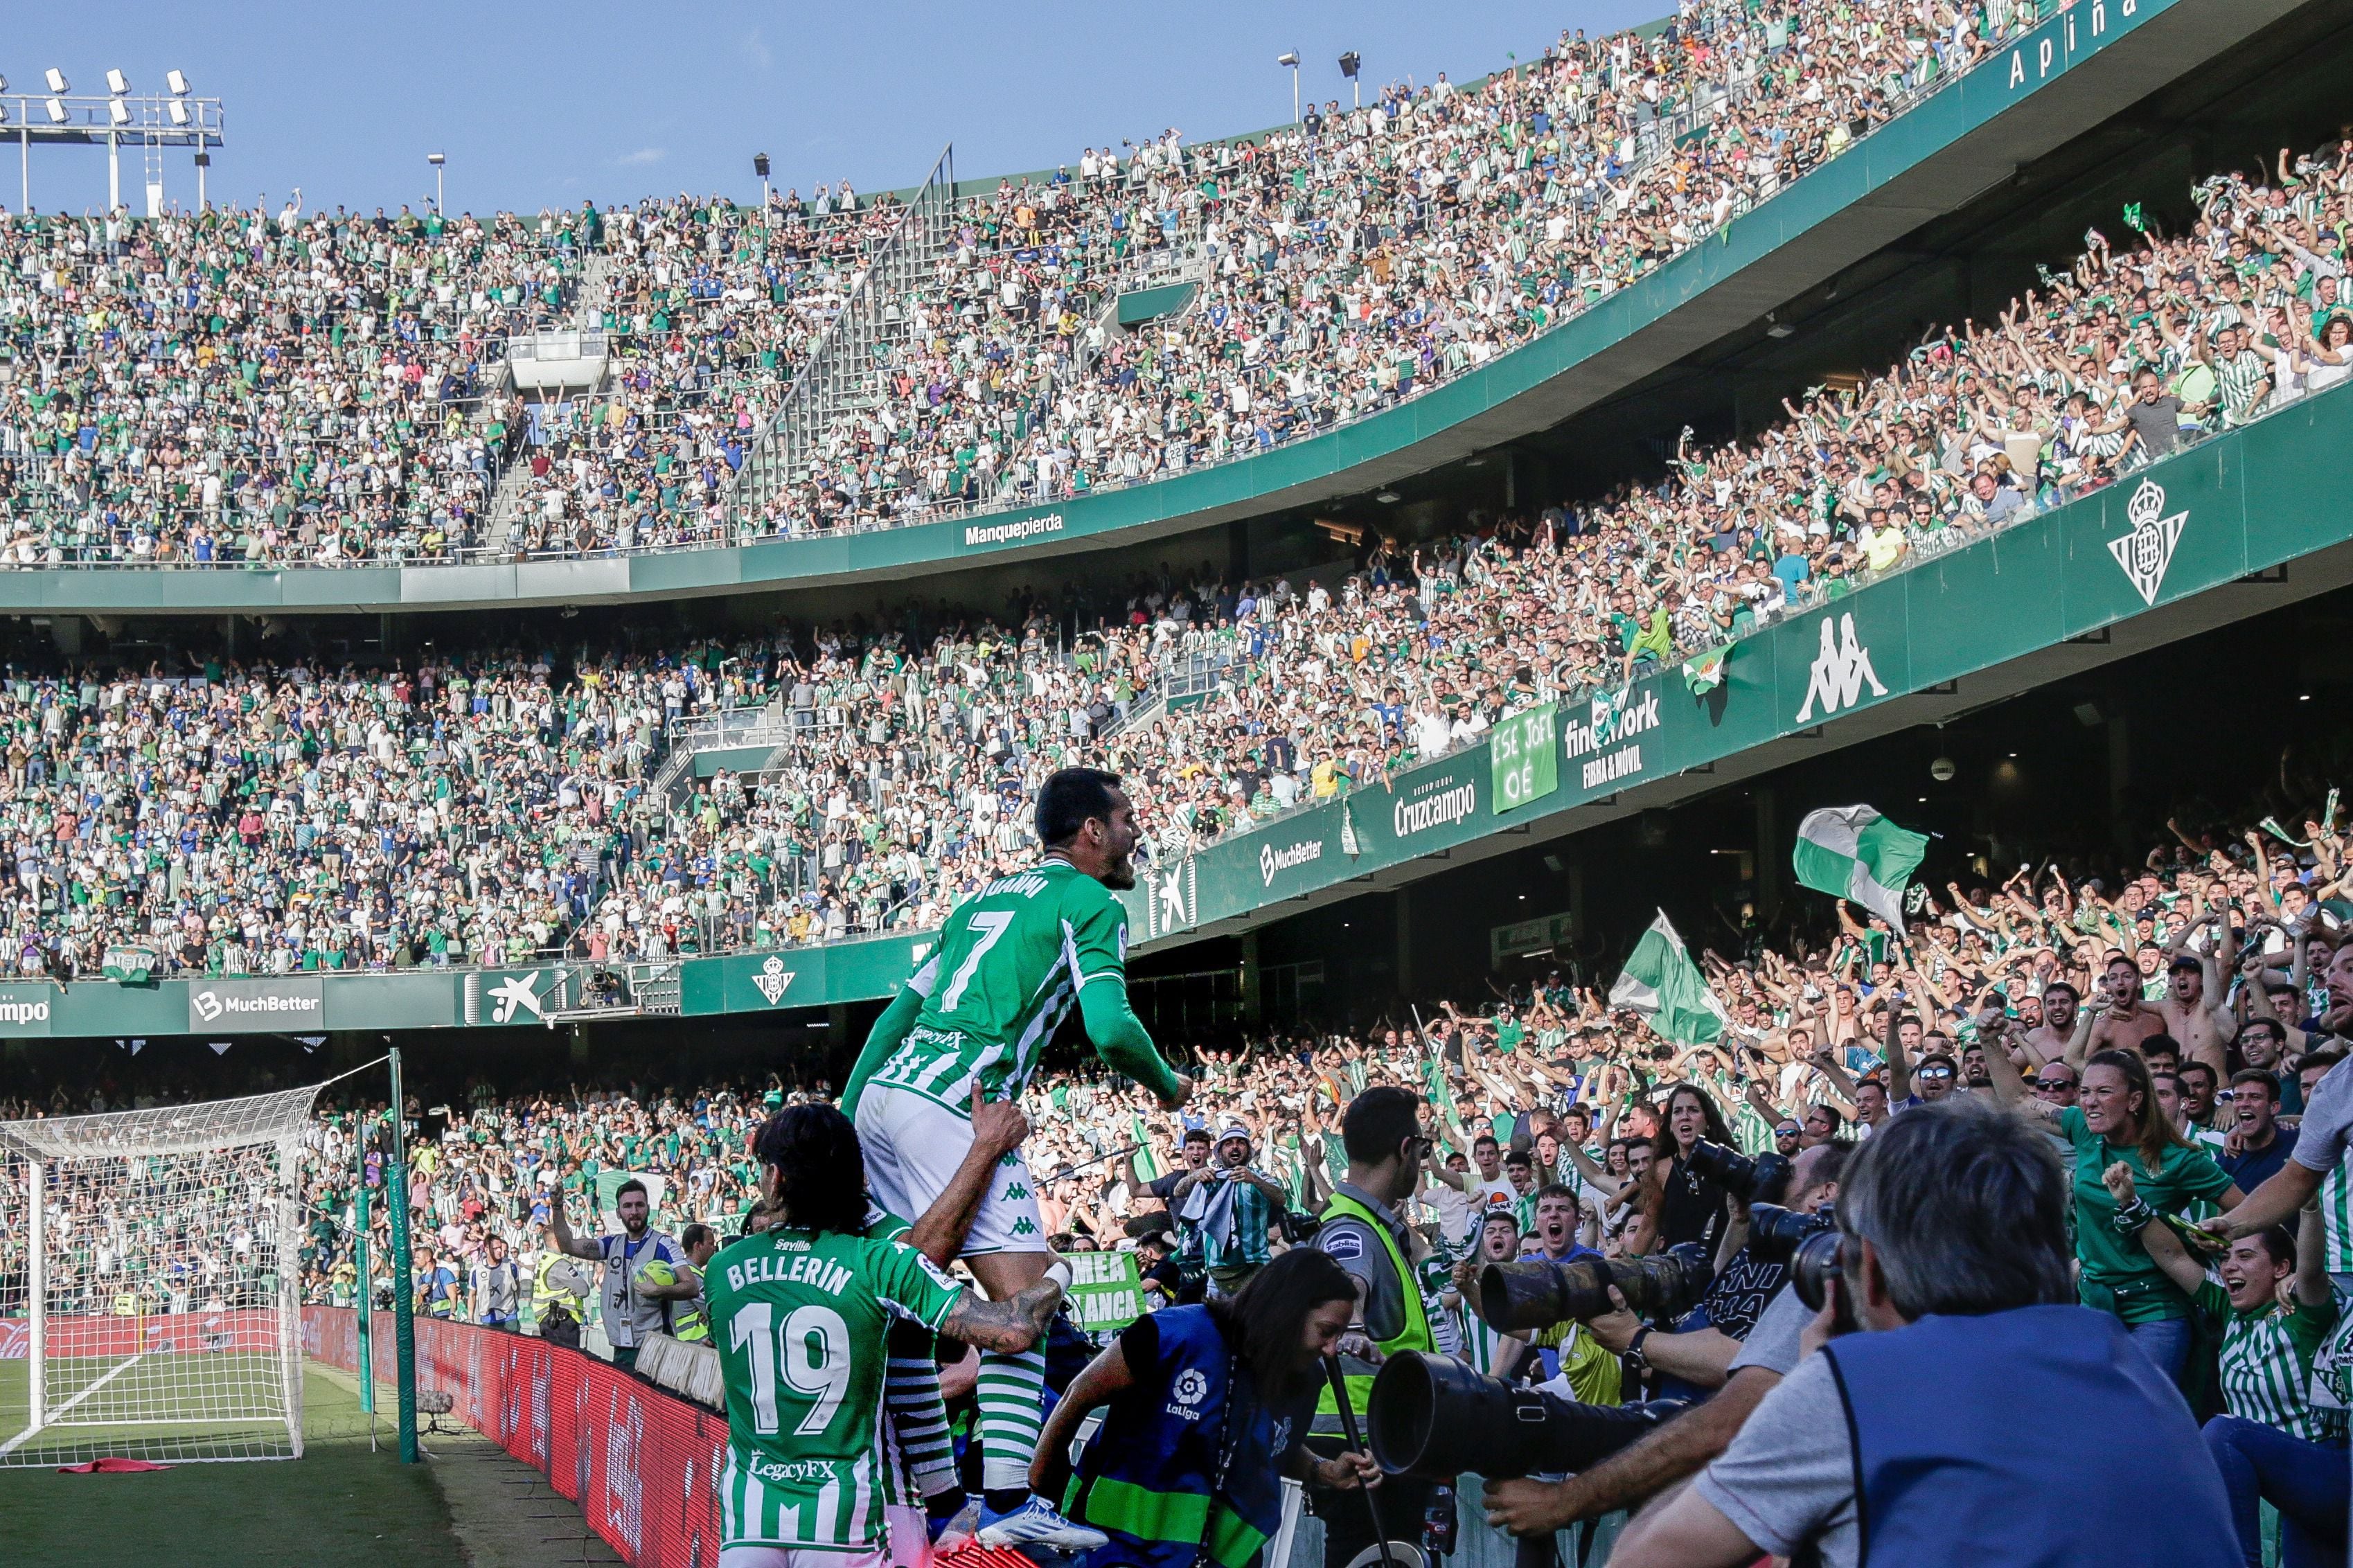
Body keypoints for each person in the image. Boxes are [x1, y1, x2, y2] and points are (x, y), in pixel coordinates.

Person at [1606, 1098, 2239, 1568]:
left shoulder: (1857, 1385)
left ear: (1870, 1273)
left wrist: (1794, 1390)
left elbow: (1639, 1561)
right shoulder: (2135, 1373)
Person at [841, 767, 1193, 1549]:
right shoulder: (1090, 901)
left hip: (884, 1099)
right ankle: (1005, 1503)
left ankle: (937, 1501)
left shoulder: (975, 903)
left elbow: (890, 1021)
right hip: (960, 1107)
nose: (1138, 832)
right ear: (1091, 831)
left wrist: (844, 1123)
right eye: (1128, 818)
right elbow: (1109, 1026)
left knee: (905, 1310)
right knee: (1024, 1309)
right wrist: (1169, 1087)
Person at [708, 1103, 1069, 1568]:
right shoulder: (880, 1262)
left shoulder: (721, 1269)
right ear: (857, 1179)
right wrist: (1058, 1272)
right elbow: (1012, 1331)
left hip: (749, 1520)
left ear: (775, 1178)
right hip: (847, 1520)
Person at [1033, 1248, 1381, 1568]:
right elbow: (1077, 1397)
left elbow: (1273, 1445)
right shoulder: (1173, 1334)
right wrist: (1037, 1491)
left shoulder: (1307, 1379)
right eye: (1326, 1331)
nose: (1332, 1349)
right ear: (1286, 1311)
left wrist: (1323, 1470)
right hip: (1116, 1551)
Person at [2110, 1171, 2347, 1567]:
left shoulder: (2302, 1311)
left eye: (2246, 1256)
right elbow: (2173, 1257)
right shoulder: (2230, 1310)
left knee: (2225, 1430)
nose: (2230, 1266)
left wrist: (2308, 1207)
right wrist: (2131, 1204)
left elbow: (2311, 1270)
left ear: (2280, 1268)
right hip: (2282, 1498)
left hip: (2326, 1477)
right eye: (2226, 1258)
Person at [1981, 1027, 2244, 1384]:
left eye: (2104, 1092)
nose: (2089, 1102)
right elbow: (2019, 1103)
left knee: (2142, 1414)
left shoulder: (2180, 1160)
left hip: (2157, 1312)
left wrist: (2230, 1240)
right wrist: (1988, 1041)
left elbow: (2245, 1211)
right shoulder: (2085, 1130)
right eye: (2086, 1092)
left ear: (2134, 1100)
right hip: (2095, 1306)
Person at [1309, 1085, 1441, 1568]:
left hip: (1378, 1441)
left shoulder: (1376, 1226)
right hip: (1366, 1446)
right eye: (1423, 1151)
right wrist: (1354, 1327)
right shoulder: (1352, 1228)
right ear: (1405, 1149)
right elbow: (1344, 1293)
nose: (1422, 1164)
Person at [549, 1176, 686, 1371]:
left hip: (656, 1348)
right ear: (619, 1213)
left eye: (639, 1205)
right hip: (622, 1345)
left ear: (648, 1208)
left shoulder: (664, 1244)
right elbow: (567, 1245)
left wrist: (659, 1290)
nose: (634, 1212)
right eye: (628, 1206)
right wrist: (557, 1207)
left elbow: (691, 1286)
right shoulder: (612, 1244)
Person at [1171, 1125, 1288, 1299]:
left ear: (1248, 1151)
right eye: (1228, 1144)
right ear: (1220, 1152)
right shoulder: (1210, 1177)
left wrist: (1253, 1180)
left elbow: (1280, 1198)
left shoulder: (1261, 1177)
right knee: (1220, 1324)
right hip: (1217, 1270)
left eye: (1240, 1143)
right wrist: (1194, 1177)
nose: (1234, 1147)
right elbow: (1178, 1192)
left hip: (1254, 1266)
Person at [637, 1222, 722, 1343]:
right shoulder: (693, 1276)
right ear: (698, 1246)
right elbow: (716, 1312)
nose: (715, 1248)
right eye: (711, 1244)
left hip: (683, 1344)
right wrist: (708, 1314)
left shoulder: (680, 1272)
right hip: (697, 1346)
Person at [469, 1234, 522, 1331]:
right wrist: (470, 1319)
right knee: (490, 1346)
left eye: (500, 1248)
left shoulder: (511, 1267)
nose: (499, 1251)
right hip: (488, 1317)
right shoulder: (477, 1270)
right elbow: (472, 1295)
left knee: (512, 1345)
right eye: (496, 1248)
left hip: (509, 1316)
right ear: (487, 1249)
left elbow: (517, 1288)